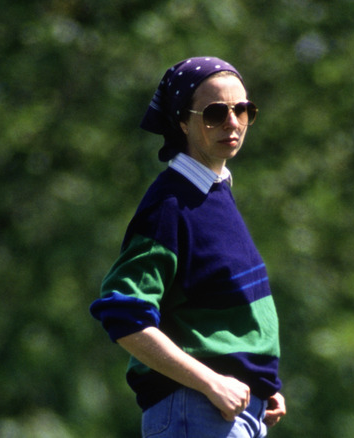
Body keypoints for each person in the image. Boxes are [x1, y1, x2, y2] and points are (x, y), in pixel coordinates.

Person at [90, 56, 286, 438]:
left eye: (243, 110)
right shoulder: (171, 205)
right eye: (215, 113)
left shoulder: (215, 195)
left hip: (233, 412)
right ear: (183, 122)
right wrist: (211, 382)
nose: (233, 122)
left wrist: (260, 382)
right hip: (196, 409)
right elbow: (123, 312)